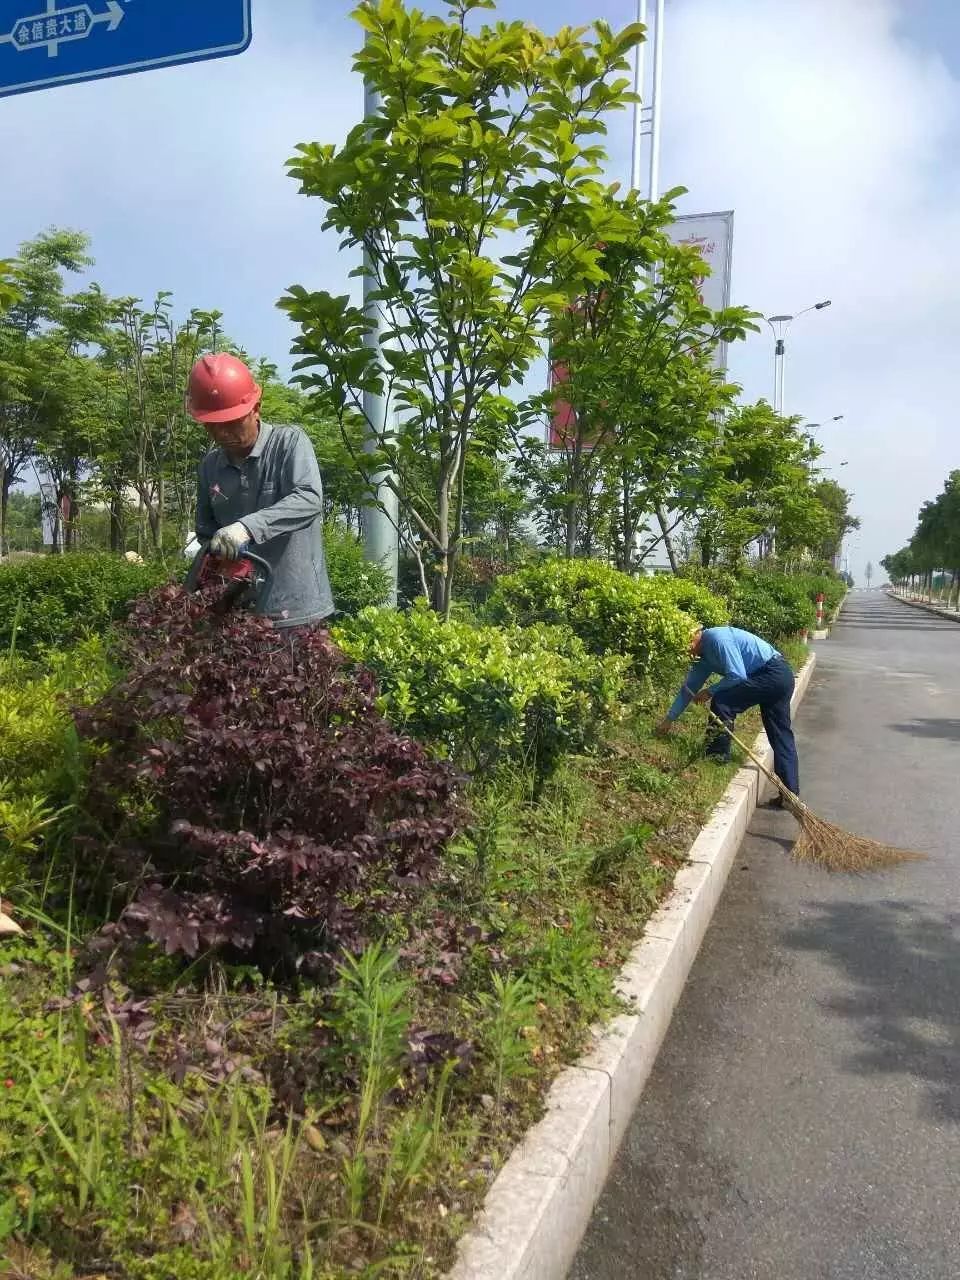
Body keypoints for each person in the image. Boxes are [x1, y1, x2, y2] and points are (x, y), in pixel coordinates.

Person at [187, 352, 334, 629]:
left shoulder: (289, 443)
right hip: (239, 611)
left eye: (232, 422)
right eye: (213, 425)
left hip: (296, 609)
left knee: (300, 672)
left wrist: (246, 528)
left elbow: (309, 499)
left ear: (256, 408)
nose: (222, 433)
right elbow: (206, 531)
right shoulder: (210, 466)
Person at [656, 623, 799, 803]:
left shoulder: (717, 638)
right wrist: (669, 720)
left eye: (688, 643)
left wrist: (709, 691)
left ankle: (717, 756)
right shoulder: (703, 658)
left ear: (696, 635)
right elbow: (689, 689)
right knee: (781, 734)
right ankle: (789, 794)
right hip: (780, 675)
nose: (687, 650)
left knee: (723, 702)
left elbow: (737, 675)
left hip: (772, 673)